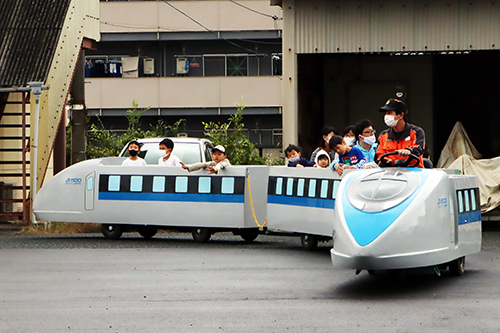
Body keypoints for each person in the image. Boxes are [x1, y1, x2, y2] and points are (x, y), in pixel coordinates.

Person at [374, 99, 425, 168]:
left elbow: (419, 148)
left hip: (414, 172)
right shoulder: (383, 136)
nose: (386, 116)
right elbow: (378, 155)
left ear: (401, 115)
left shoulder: (416, 132)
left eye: (389, 113)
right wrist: (384, 161)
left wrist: (409, 150)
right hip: (390, 174)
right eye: (385, 113)